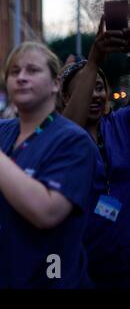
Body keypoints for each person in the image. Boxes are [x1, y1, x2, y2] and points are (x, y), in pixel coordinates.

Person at [0, 41, 97, 288]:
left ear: (55, 84)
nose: (22, 78)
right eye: (14, 72)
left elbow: (46, 212)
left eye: (33, 70)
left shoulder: (73, 140)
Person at [60, 17, 130, 288]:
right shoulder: (58, 134)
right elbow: (66, 131)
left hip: (124, 256)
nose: (94, 95)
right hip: (81, 258)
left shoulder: (121, 123)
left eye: (99, 88)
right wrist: (93, 62)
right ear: (67, 98)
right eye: (85, 89)